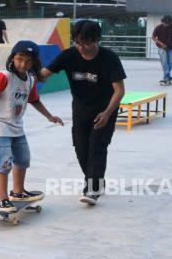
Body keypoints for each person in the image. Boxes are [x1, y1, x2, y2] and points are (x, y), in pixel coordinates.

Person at [0, 40, 63, 212]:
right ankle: (3, 199)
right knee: (3, 163)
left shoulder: (30, 79)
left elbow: (34, 100)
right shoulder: (3, 76)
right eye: (19, 59)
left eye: (28, 61)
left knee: (23, 159)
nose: (23, 64)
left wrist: (49, 116)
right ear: (12, 58)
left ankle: (18, 192)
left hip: (17, 127)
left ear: (34, 62)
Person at [40, 20, 126, 205]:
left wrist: (107, 113)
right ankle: (96, 182)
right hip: (80, 109)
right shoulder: (69, 55)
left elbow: (119, 90)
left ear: (97, 40)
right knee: (81, 149)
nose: (81, 47)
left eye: (86, 43)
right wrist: (21, 72)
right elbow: (43, 74)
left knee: (97, 147)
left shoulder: (109, 58)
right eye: (78, 42)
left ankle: (92, 189)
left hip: (105, 109)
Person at [151, 15, 172, 85]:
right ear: (162, 21)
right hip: (161, 48)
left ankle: (167, 76)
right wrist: (161, 44)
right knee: (164, 62)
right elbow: (153, 37)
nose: (166, 24)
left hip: (170, 47)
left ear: (170, 22)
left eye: (168, 23)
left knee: (171, 62)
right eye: (165, 23)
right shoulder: (158, 28)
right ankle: (166, 77)